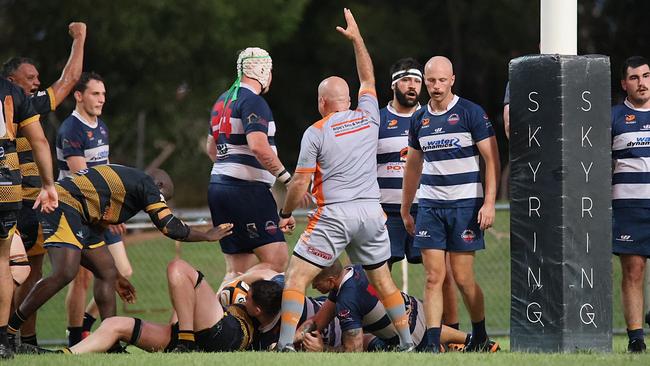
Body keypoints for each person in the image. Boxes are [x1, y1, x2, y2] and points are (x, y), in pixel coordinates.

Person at [275, 8, 414, 352]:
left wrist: (285, 212)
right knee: (383, 281)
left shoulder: (316, 132)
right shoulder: (369, 118)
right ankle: (408, 343)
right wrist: (357, 40)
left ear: (322, 103)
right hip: (371, 213)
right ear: (349, 100)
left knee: (296, 277)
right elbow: (368, 79)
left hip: (335, 214)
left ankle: (284, 346)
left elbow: (299, 186)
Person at [7, 165, 232, 350]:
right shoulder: (147, 184)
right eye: (162, 198)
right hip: (62, 204)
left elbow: (98, 216)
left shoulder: (130, 185)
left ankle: (110, 343)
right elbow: (169, 227)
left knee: (107, 271)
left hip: (80, 216)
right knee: (65, 271)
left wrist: (116, 276)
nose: (159, 202)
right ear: (159, 186)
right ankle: (10, 331)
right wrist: (207, 235)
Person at [401, 56, 500, 352]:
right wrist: (407, 207)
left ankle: (480, 335)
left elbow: (492, 160)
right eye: (430, 80)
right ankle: (432, 344)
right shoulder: (420, 119)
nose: (436, 86)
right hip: (430, 206)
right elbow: (413, 166)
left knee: (463, 278)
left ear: (452, 80)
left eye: (442, 80)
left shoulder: (471, 112)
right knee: (433, 276)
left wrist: (490, 203)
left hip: (465, 207)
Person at [2, 21, 86, 347]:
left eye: (37, 78)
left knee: (33, 275)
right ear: (12, 82)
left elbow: (69, 80)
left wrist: (80, 41)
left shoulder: (31, 102)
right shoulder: (15, 105)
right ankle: (6, 338)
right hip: (10, 198)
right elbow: (69, 81)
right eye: (31, 78)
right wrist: (79, 36)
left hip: (33, 203)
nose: (37, 83)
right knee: (12, 273)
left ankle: (26, 340)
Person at [35, 261, 286, 354]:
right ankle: (66, 356)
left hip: (222, 334)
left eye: (248, 299)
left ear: (257, 311)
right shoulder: (258, 304)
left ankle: (185, 344)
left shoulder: (247, 324)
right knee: (113, 325)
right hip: (201, 335)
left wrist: (238, 284)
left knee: (178, 268)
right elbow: (263, 270)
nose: (244, 298)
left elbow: (263, 269)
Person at [378, 57, 460, 329]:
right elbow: (363, 165)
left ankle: (452, 333)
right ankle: (382, 330)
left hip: (426, 208)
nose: (412, 86)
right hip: (386, 212)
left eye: (416, 80)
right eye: (405, 80)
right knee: (379, 273)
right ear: (393, 85)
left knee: (441, 274)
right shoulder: (376, 119)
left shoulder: (430, 117)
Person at [55, 71, 133, 346]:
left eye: (103, 94)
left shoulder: (100, 125)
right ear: (78, 96)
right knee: (82, 279)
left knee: (123, 270)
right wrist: (108, 214)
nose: (102, 99)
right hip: (77, 211)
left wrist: (115, 207)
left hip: (102, 210)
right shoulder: (71, 129)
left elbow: (105, 169)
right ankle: (75, 336)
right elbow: (83, 179)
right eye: (95, 94)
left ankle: (88, 323)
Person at [205, 46, 290, 287]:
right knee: (276, 261)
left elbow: (211, 148)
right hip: (245, 191)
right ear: (262, 70)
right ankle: (226, 297)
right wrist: (287, 180)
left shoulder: (222, 101)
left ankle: (219, 321)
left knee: (236, 269)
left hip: (219, 186)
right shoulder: (254, 101)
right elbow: (258, 147)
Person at [297, 260, 499, 352]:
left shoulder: (347, 299)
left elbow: (354, 350)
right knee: (419, 326)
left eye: (316, 283)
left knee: (367, 341)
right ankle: (474, 341)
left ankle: (447, 349)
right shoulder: (353, 270)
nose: (314, 287)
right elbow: (318, 320)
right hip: (414, 308)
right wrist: (291, 337)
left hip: (412, 337)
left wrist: (323, 350)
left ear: (332, 281)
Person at [0, 77, 58, 359]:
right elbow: (40, 140)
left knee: (23, 269)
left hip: (19, 197)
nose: (35, 81)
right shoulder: (11, 92)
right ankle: (3, 341)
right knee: (5, 263)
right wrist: (49, 185)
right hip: (7, 182)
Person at [612, 55, 650, 353]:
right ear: (625, 84)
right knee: (633, 271)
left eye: (646, 76)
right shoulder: (611, 118)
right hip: (628, 206)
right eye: (635, 78)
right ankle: (636, 337)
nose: (642, 83)